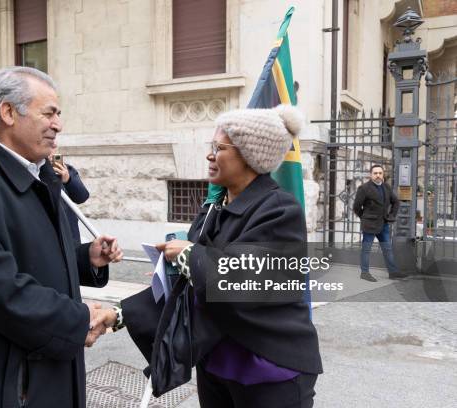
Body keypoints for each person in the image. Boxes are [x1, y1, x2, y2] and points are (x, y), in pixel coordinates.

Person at [0, 67, 123, 408]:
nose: (58, 124)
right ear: (7, 113)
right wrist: (78, 320)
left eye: (59, 114)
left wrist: (84, 258)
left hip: (47, 373)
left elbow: (33, 258)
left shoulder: (43, 175)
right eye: (48, 113)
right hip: (4, 384)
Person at [117, 106, 323, 407]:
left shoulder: (280, 210)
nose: (209, 155)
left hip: (270, 368)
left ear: (249, 156)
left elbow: (241, 281)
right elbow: (195, 287)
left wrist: (190, 255)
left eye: (219, 147)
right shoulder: (215, 207)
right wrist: (121, 313)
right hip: (217, 364)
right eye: (211, 147)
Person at [353, 164, 407, 282]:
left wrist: (391, 215)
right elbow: (356, 207)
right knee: (366, 249)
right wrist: (365, 217)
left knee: (387, 248)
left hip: (383, 224)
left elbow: (396, 202)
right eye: (375, 173)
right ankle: (365, 272)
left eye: (380, 173)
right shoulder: (364, 188)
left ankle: (393, 272)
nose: (378, 175)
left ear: (383, 175)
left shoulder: (386, 187)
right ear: (371, 175)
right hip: (370, 224)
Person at [50, 148, 90, 245]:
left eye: (53, 147)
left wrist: (68, 180)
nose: (51, 150)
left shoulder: (67, 170)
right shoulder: (34, 172)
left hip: (70, 232)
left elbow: (82, 196)